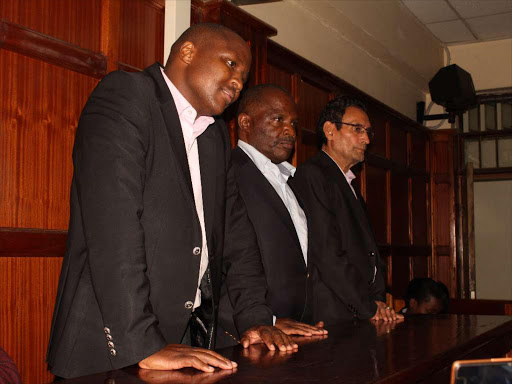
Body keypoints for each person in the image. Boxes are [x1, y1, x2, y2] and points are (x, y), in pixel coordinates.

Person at [47, 23, 297, 379]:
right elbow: (113, 229)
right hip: (109, 346)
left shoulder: (212, 137)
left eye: (244, 75)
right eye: (230, 65)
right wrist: (142, 343)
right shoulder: (127, 95)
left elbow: (237, 238)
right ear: (188, 52)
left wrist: (255, 317)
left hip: (183, 337)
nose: (238, 83)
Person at [216, 85, 327, 347]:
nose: (289, 130)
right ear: (245, 122)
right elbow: (221, 262)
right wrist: (266, 320)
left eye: (293, 123)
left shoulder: (290, 180)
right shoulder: (227, 173)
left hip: (298, 331)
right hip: (249, 339)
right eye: (278, 119)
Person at [293, 95, 403, 325]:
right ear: (330, 130)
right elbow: (327, 252)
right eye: (357, 129)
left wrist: (378, 301)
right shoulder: (313, 174)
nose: (366, 139)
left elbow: (368, 252)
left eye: (368, 132)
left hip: (359, 310)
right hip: (335, 314)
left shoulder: (348, 182)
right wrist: (368, 307)